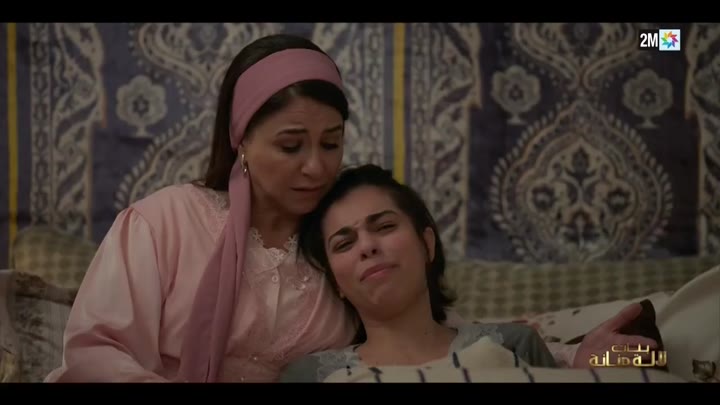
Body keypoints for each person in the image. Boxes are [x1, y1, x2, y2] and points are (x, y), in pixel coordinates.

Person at [44, 33, 656, 383]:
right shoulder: (167, 223)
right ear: (242, 141)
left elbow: (446, 344)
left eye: (331, 143)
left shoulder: (336, 250)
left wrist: (590, 357)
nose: (316, 166)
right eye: (291, 145)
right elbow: (93, 352)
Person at [279, 164, 659, 382]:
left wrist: (593, 372)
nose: (366, 246)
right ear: (336, 283)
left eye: (384, 226)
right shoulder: (308, 375)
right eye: (344, 244)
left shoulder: (513, 344)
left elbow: (647, 360)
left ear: (427, 245)